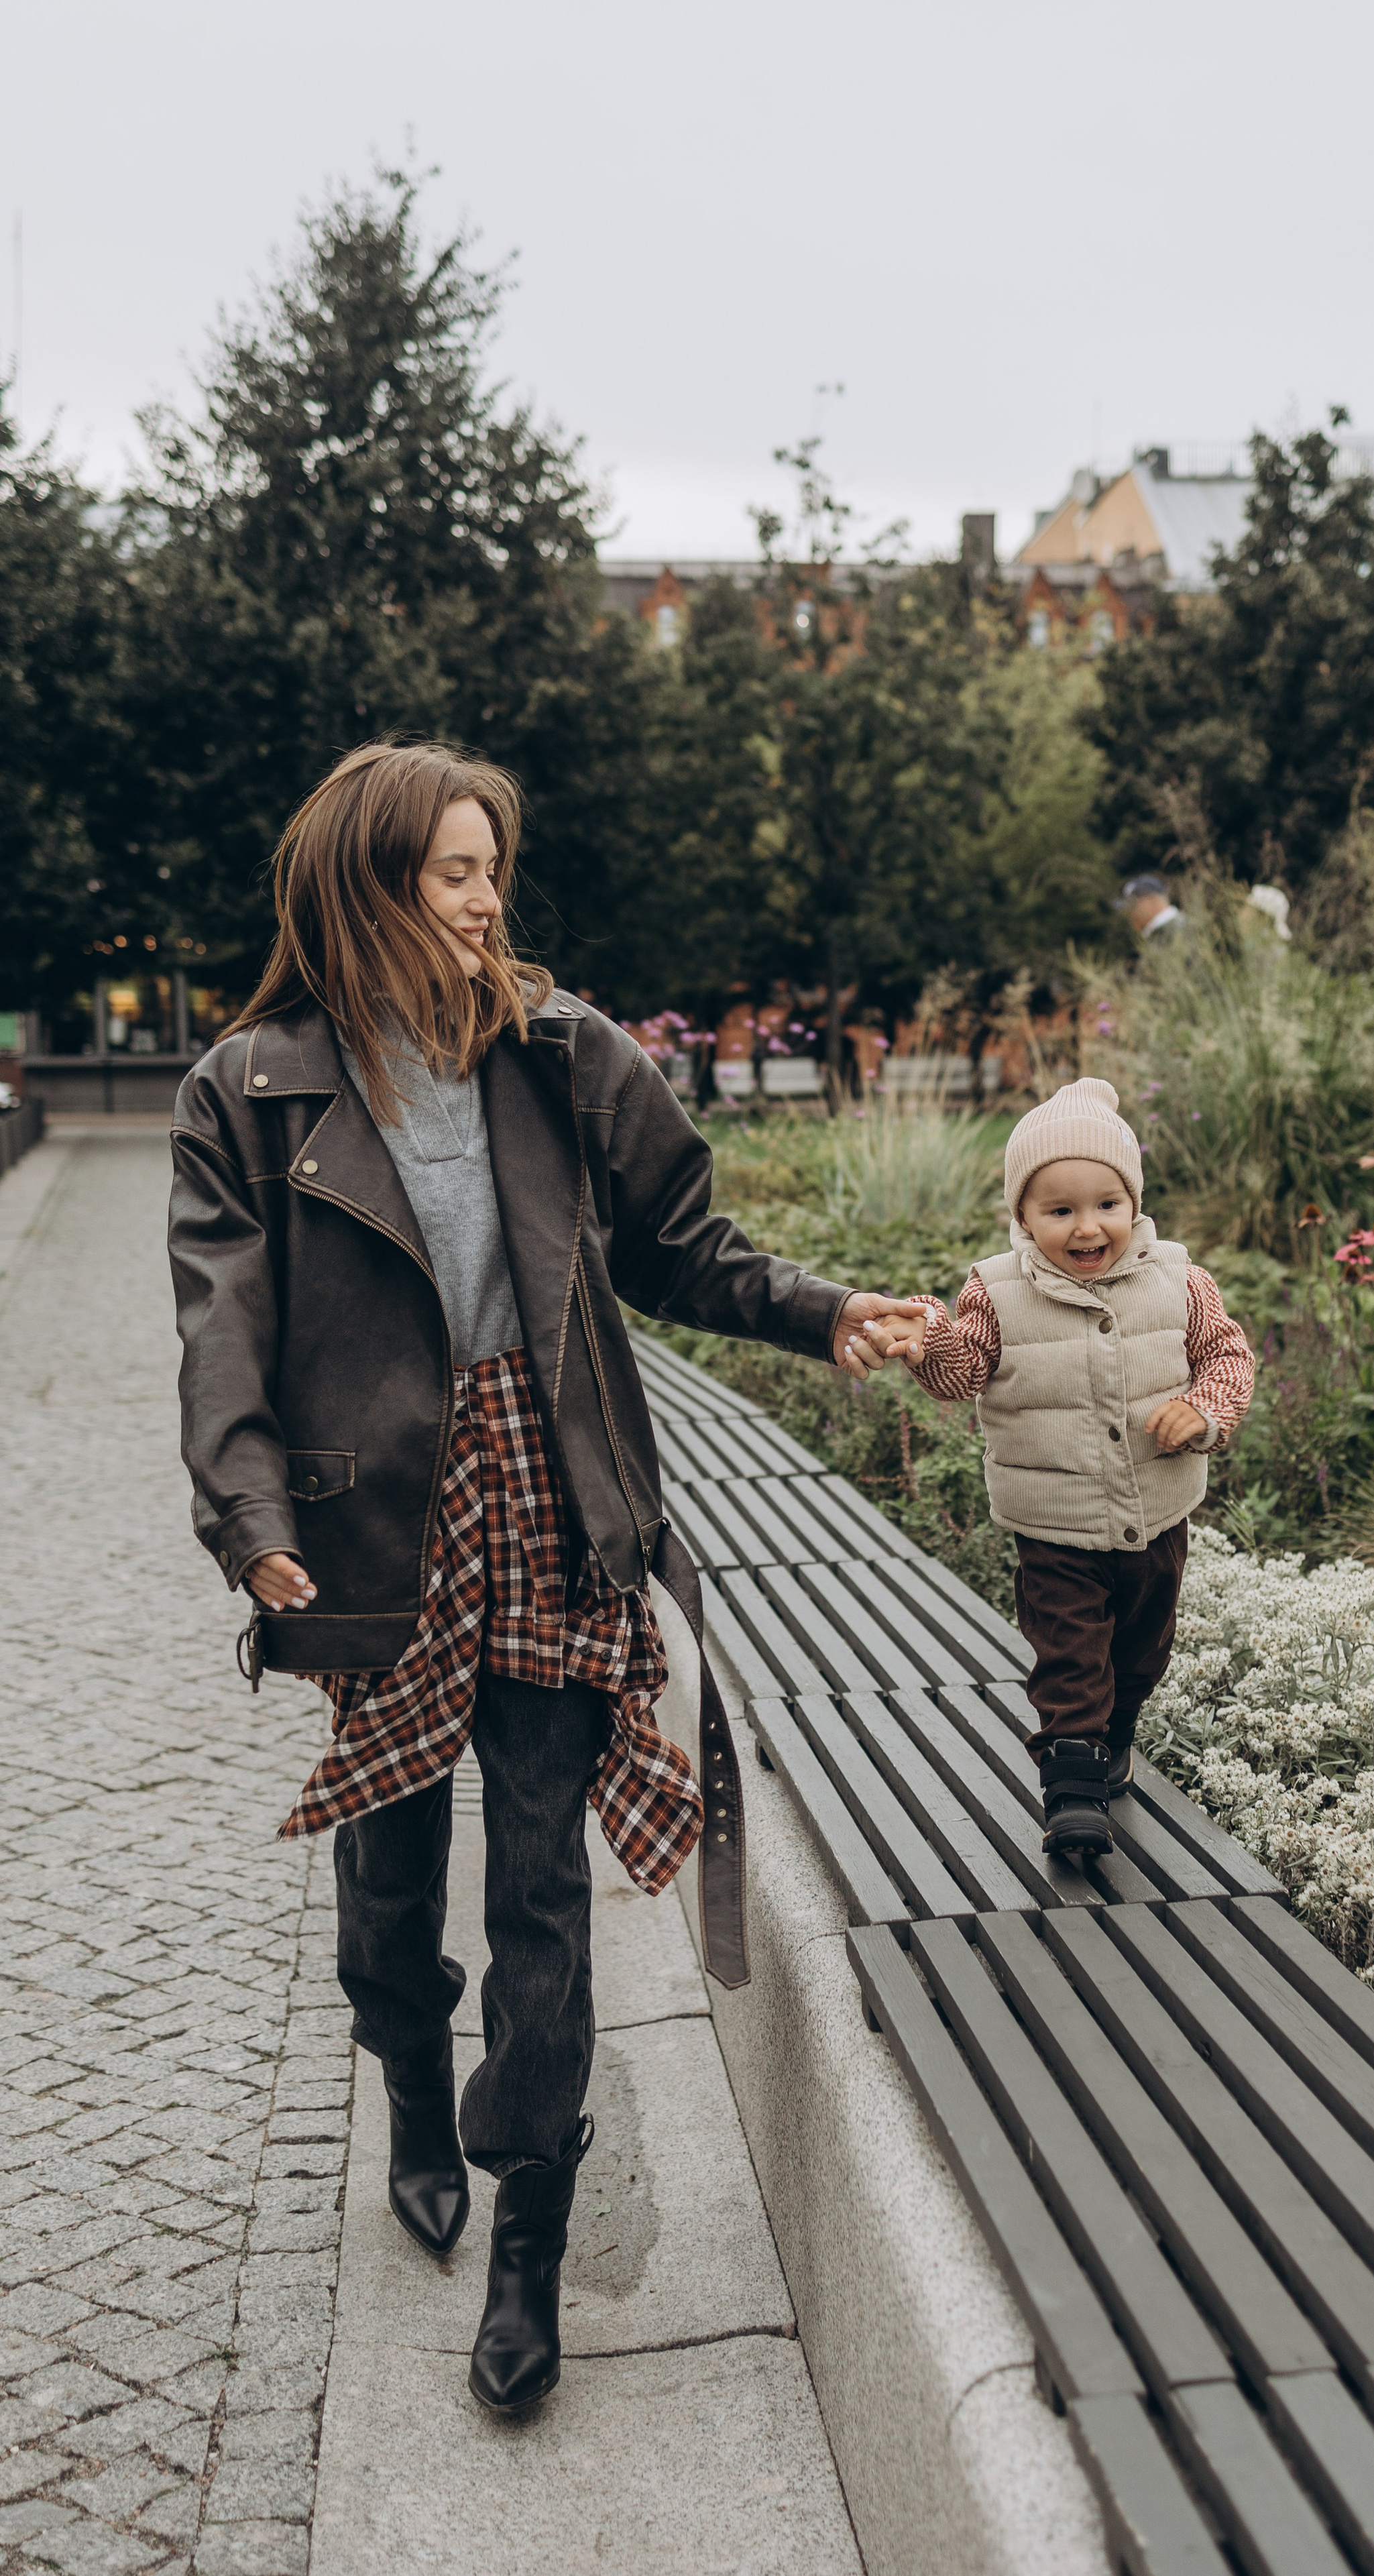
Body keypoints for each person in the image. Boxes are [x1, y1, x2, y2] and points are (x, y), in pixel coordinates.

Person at [168, 742, 918, 2416]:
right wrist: (248, 1508)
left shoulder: (564, 1053)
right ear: (366, 886)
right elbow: (223, 1320)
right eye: (451, 869)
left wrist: (821, 1309)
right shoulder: (252, 1084)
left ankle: (527, 2235)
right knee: (386, 1870)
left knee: (540, 1884)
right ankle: (411, 2075)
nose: (486, 894)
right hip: (372, 1521)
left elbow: (680, 1246)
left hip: (553, 1496)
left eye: (492, 862)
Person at [863, 1078, 1253, 1856]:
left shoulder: (1180, 1279)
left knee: (1140, 1653)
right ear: (1021, 1216)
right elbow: (962, 1373)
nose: (1087, 1228)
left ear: (1133, 1204)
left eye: (1106, 1204)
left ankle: (1119, 1730)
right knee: (1070, 1656)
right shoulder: (996, 1291)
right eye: (1059, 1210)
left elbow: (1227, 1355)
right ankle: (1071, 1787)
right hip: (1054, 1525)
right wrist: (928, 1339)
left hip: (1156, 1514)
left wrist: (1205, 1411)